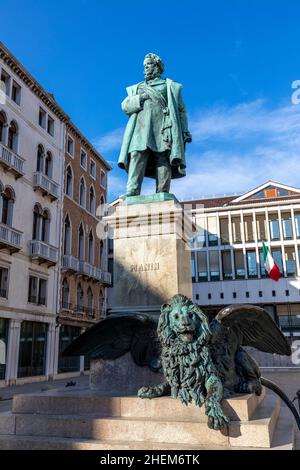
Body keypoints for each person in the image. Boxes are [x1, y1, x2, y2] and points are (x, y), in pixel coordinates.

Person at [118, 53, 192, 196]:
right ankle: (132, 191)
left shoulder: (169, 86)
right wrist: (140, 98)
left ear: (157, 67)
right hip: (141, 128)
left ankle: (162, 191)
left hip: (163, 127)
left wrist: (184, 130)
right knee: (136, 155)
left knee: (163, 157)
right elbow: (125, 106)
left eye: (148, 65)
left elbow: (181, 111)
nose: (145, 68)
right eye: (144, 66)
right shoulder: (137, 88)